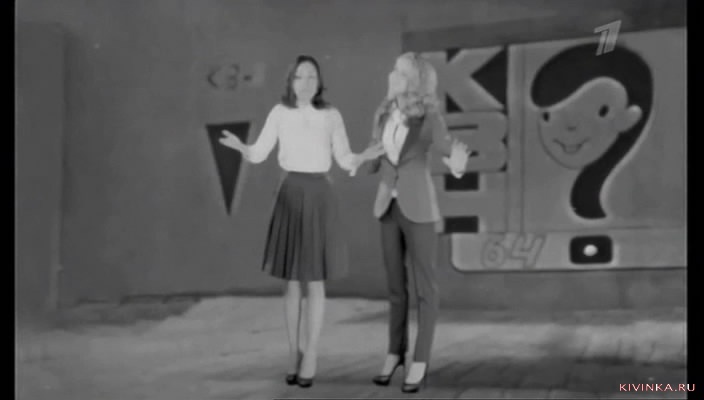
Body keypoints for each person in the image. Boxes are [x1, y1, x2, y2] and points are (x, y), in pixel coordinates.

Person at [219, 55, 383, 388]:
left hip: (319, 194)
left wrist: (363, 156)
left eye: (311, 76)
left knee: (315, 280)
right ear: (290, 82)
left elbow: (344, 158)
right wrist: (242, 148)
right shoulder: (279, 113)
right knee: (292, 280)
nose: (306, 82)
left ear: (319, 82)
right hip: (290, 193)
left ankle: (312, 355)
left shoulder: (331, 115)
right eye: (300, 76)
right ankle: (294, 353)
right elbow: (259, 152)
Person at [356, 52, 470, 393]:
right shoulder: (382, 114)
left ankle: (419, 361)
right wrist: (362, 158)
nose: (390, 75)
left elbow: (448, 150)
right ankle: (395, 353)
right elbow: (375, 161)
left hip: (418, 208)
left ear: (413, 81)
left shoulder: (429, 118)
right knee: (396, 288)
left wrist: (458, 165)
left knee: (426, 290)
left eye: (398, 71)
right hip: (387, 206)